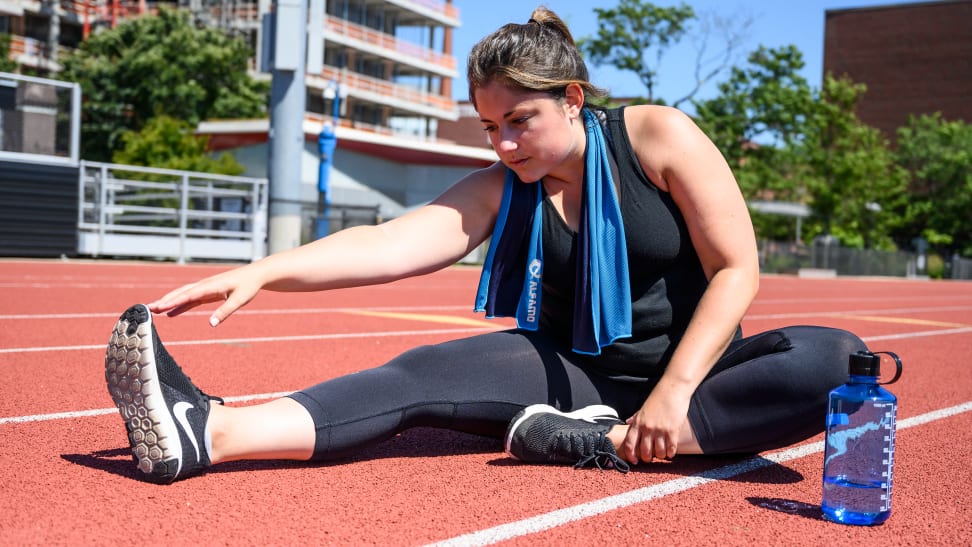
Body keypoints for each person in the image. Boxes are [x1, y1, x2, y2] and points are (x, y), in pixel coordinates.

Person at [104, 6, 866, 484]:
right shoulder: (507, 186)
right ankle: (210, 430)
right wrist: (263, 271)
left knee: (835, 361)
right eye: (489, 127)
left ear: (572, 99)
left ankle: (606, 445)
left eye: (519, 121)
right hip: (582, 372)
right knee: (418, 372)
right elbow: (390, 242)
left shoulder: (659, 135)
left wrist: (671, 392)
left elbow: (738, 268)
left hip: (700, 378)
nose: (503, 143)